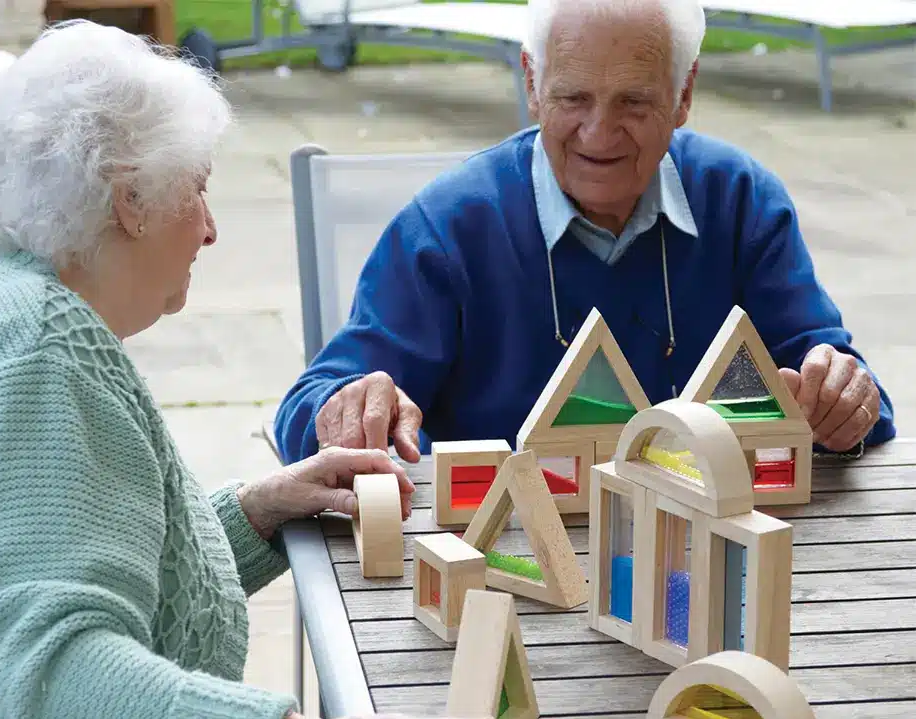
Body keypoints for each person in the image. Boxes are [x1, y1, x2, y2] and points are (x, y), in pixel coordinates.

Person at [0, 21, 493, 719]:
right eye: (199, 187)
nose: (212, 229)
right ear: (131, 201)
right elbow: (60, 674)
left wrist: (258, 511)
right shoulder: (38, 353)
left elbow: (74, 553)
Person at [273, 0, 896, 466]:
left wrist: (845, 402)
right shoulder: (448, 228)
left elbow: (850, 391)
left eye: (633, 103)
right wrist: (348, 411)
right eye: (573, 98)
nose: (598, 135)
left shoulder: (740, 201)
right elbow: (307, 408)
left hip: (705, 564)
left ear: (684, 95)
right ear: (532, 83)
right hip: (506, 570)